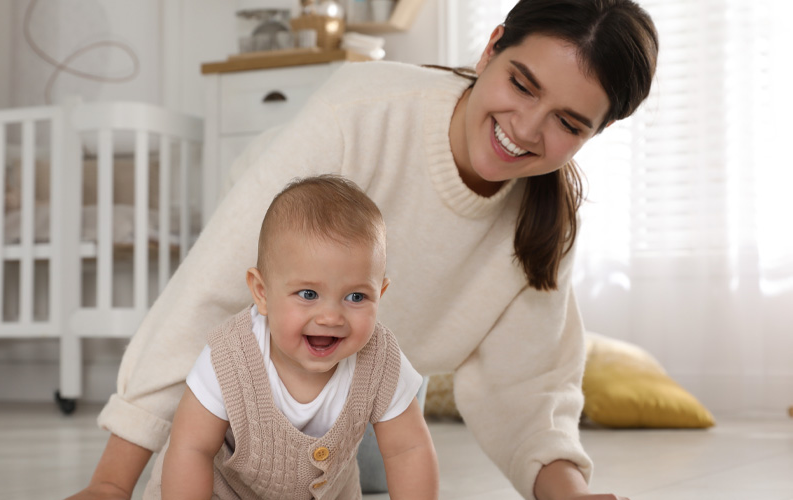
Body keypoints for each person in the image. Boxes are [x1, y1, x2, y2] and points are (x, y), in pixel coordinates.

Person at [68, 0, 658, 499]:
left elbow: (530, 385)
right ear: (491, 49)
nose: (527, 130)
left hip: (368, 397)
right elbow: (206, 293)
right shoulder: (359, 111)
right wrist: (110, 484)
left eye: (569, 123)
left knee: (368, 465)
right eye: (521, 84)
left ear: (596, 133)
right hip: (261, 374)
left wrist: (569, 492)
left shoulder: (547, 223)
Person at [159, 175, 438, 499]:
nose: (331, 317)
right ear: (262, 293)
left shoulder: (380, 359)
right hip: (225, 492)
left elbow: (409, 450)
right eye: (308, 293)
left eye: (356, 297)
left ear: (381, 293)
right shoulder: (229, 357)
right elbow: (191, 448)